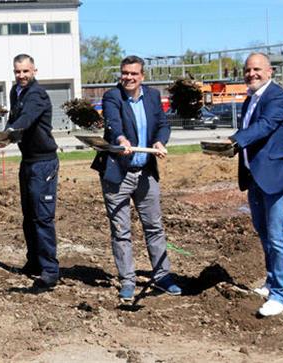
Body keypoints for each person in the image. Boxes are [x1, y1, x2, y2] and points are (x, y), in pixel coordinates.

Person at [91, 55, 181, 302]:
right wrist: (120, 140)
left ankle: (162, 277)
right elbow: (113, 123)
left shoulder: (152, 97)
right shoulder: (112, 97)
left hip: (146, 173)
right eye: (125, 73)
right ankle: (127, 281)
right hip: (117, 173)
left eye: (133, 74)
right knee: (121, 230)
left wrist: (160, 140)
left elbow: (163, 124)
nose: (128, 77)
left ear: (142, 76)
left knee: (154, 226)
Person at [228, 52, 283, 317]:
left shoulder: (278, 97)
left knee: (278, 236)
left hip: (278, 177)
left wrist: (234, 140)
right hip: (256, 178)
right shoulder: (250, 99)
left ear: (270, 71)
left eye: (257, 69)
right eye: (248, 70)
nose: (252, 74)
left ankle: (282, 296)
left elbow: (265, 125)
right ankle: (272, 282)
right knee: (264, 233)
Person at [3, 54, 60, 289]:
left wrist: (11, 131)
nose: (21, 76)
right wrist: (6, 132)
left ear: (34, 70)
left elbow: (26, 119)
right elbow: (14, 117)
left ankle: (50, 270)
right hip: (28, 161)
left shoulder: (37, 94)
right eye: (17, 71)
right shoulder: (16, 92)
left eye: (25, 71)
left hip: (43, 163)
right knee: (28, 215)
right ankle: (34, 261)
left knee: (42, 217)